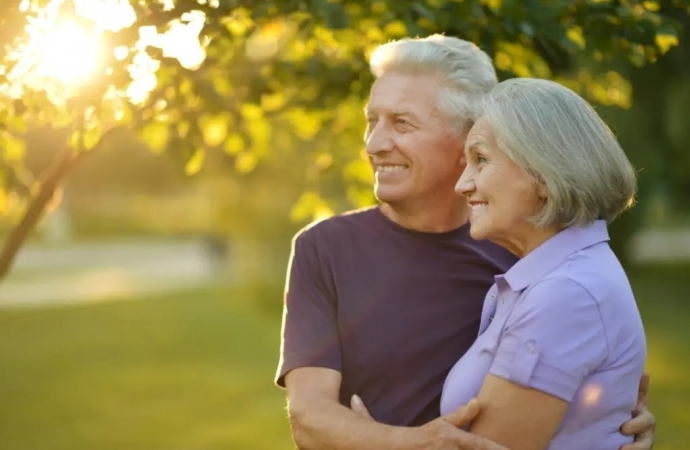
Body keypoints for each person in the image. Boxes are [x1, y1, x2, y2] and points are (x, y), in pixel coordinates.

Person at [275, 35, 656, 450]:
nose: (374, 144)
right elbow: (308, 416)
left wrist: (605, 420)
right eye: (372, 121)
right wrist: (410, 443)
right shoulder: (324, 248)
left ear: (467, 138)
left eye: (402, 123)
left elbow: (582, 372)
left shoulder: (527, 255)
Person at [441, 77, 646, 449]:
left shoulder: (566, 294)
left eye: (481, 160)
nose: (462, 184)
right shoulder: (552, 279)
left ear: (545, 175)